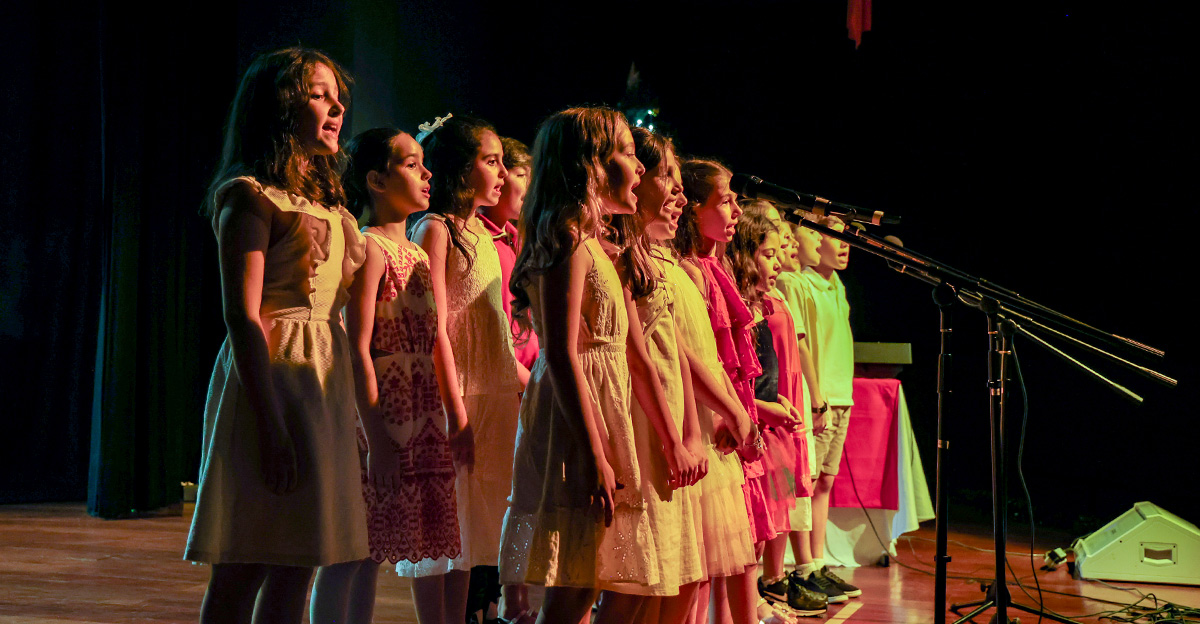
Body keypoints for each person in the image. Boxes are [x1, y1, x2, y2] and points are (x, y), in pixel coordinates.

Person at [185, 47, 368, 624]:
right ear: (279, 107)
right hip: (273, 379)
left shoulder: (330, 206)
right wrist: (270, 423)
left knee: (301, 560)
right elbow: (243, 314)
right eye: (318, 94)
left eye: (338, 96)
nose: (336, 106)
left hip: (321, 384)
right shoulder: (250, 195)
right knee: (248, 559)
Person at [499, 107, 696, 624]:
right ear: (591, 165)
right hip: (577, 418)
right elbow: (562, 353)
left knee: (607, 574)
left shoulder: (595, 243)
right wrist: (593, 452)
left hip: (605, 411)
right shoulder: (567, 240)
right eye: (629, 154)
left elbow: (630, 350)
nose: (638, 168)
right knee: (578, 580)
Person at [329, 127, 464, 624]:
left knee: (377, 551)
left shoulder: (419, 253)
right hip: (384, 412)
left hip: (420, 410)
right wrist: (377, 438)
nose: (427, 174)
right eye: (411, 164)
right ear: (376, 180)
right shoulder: (368, 249)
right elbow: (357, 345)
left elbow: (432, 340)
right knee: (357, 549)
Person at [408, 114, 528, 622]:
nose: (501, 173)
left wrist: (523, 384)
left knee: (473, 531)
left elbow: (496, 323)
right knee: (442, 525)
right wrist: (455, 412)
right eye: (491, 160)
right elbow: (434, 326)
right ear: (462, 169)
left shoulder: (482, 232)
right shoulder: (435, 229)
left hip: (493, 391)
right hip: (455, 394)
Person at [594, 127, 707, 624]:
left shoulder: (653, 259)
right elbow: (635, 359)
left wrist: (691, 429)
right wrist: (671, 436)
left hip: (667, 416)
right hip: (639, 421)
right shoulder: (614, 257)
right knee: (632, 571)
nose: (678, 193)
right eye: (666, 177)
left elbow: (675, 354)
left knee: (661, 574)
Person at [676, 160, 787, 624]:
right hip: (711, 420)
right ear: (693, 210)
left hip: (732, 416)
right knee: (704, 555)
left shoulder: (715, 266)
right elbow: (702, 357)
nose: (737, 209)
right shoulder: (690, 270)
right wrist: (733, 414)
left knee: (741, 545)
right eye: (726, 200)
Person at [797, 216, 861, 602]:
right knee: (805, 483)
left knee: (824, 483)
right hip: (820, 399)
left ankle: (819, 564)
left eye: (848, 238)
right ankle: (804, 568)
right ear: (815, 239)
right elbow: (803, 346)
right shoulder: (802, 284)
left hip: (843, 397)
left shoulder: (836, 284)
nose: (845, 245)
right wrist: (816, 397)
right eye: (836, 236)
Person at [478, 136, 540, 377]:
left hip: (532, 370)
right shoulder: (482, 241)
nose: (530, 187)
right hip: (507, 377)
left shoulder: (518, 240)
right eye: (522, 175)